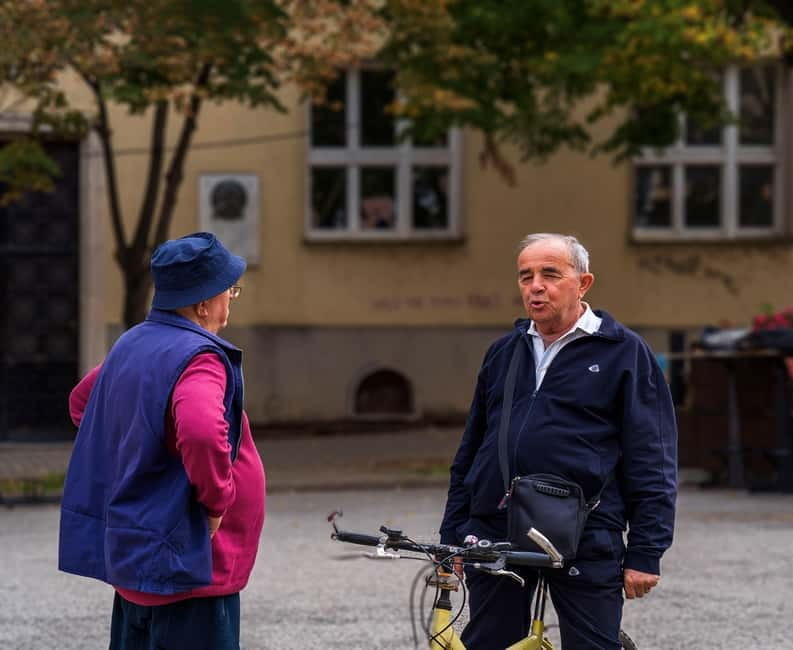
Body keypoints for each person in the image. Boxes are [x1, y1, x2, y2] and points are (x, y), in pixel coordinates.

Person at [439, 233, 677, 649]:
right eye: (525, 276)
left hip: (586, 532)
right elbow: (473, 448)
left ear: (583, 283)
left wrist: (645, 550)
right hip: (496, 527)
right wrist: (453, 535)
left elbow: (652, 456)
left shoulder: (623, 352)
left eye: (550, 273)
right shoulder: (503, 353)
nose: (536, 285)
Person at [58, 232, 266, 650]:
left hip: (142, 561)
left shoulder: (133, 343)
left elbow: (82, 403)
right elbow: (202, 432)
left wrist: (141, 455)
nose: (231, 300)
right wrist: (215, 502)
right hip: (191, 568)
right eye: (230, 291)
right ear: (203, 303)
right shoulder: (200, 358)